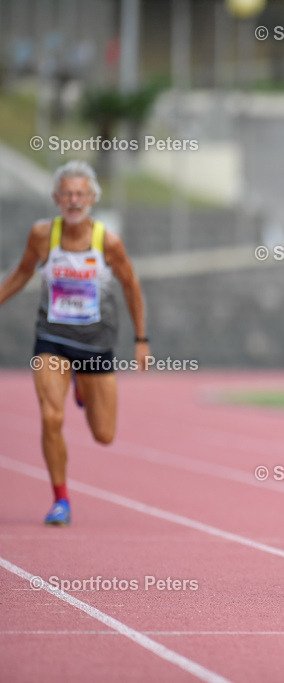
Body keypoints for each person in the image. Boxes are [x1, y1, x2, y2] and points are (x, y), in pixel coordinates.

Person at [0, 160, 149, 526]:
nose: (73, 200)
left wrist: (141, 339)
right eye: (67, 193)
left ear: (93, 198)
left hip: (96, 343)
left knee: (104, 434)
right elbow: (21, 272)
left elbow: (131, 285)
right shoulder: (42, 236)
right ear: (55, 198)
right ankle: (61, 499)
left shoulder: (107, 242)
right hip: (52, 338)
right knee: (51, 416)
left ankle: (82, 384)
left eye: (80, 193)